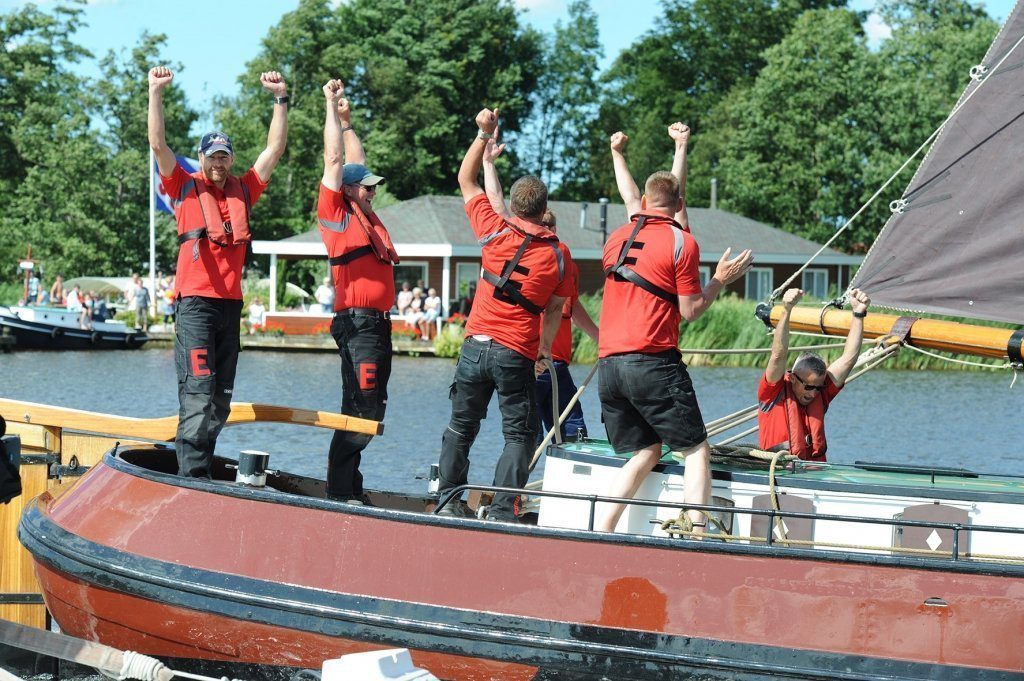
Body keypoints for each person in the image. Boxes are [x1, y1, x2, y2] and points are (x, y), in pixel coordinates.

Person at [595, 124, 753, 534]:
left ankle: (601, 529)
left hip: (609, 368)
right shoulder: (683, 243)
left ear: (644, 202)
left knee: (646, 450)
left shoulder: (617, 237)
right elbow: (691, 311)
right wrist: (720, 278)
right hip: (652, 363)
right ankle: (694, 533)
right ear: (681, 202)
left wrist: (620, 155)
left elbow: (643, 197)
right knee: (697, 450)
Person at [149, 65, 288, 478]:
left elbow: (274, 150)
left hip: (230, 308)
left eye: (224, 156)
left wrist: (281, 99)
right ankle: (191, 477)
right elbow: (158, 143)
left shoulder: (244, 188)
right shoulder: (183, 185)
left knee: (221, 397)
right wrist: (156, 92)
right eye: (213, 157)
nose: (219, 163)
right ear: (204, 158)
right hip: (195, 306)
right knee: (198, 390)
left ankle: (201, 465)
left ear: (230, 159)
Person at [436, 107, 575, 523]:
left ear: (514, 206)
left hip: (475, 347)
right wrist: (544, 351)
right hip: (516, 352)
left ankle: (448, 501)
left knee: (462, 426)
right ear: (544, 207)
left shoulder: (494, 229)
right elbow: (555, 308)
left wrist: (482, 134)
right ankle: (501, 511)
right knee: (519, 433)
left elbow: (466, 179)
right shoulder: (559, 256)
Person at [480, 130, 599, 441]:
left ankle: (546, 487)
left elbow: (572, 308)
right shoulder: (553, 259)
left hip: (549, 363)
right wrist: (488, 164)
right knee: (543, 433)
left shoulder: (562, 262)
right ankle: (521, 490)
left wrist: (601, 337)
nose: (545, 230)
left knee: (559, 432)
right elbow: (498, 207)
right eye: (542, 225)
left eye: (550, 226)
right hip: (536, 361)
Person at [318, 79, 399, 504]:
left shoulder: (365, 210)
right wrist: (331, 107)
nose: (373, 191)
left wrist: (349, 123)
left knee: (372, 410)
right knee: (360, 406)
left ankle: (350, 486)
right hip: (357, 325)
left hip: (379, 328)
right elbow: (337, 160)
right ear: (347, 190)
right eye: (366, 186)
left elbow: (355, 158)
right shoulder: (335, 213)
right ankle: (338, 490)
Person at [758, 287, 871, 461]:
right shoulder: (772, 392)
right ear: (794, 378)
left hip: (814, 475)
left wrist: (858, 313)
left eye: (818, 388)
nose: (813, 393)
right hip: (779, 474)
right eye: (809, 387)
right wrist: (786, 310)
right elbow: (778, 355)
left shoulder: (821, 392)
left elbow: (849, 358)